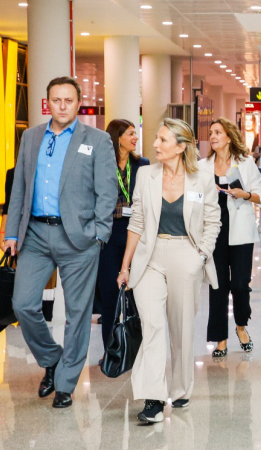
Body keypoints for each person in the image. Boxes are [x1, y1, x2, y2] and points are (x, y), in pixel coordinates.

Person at [3, 76, 117, 408]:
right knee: (23, 304)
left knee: (78, 313)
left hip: (79, 237)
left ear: (78, 103)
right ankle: (52, 359)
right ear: (47, 103)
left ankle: (66, 384)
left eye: (69, 100)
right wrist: (12, 232)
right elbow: (19, 187)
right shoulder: (31, 136)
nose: (62, 106)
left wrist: (99, 233)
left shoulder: (97, 140)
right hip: (36, 235)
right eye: (56, 100)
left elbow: (107, 191)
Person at [116, 118, 220, 423]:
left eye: (163, 140)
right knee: (152, 326)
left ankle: (181, 387)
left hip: (186, 254)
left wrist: (200, 256)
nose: (155, 144)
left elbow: (212, 222)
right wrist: (125, 266)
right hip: (150, 256)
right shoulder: (146, 174)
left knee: (181, 328)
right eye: (157, 139)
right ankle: (154, 398)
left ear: (181, 146)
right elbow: (136, 221)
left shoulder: (202, 178)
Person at [203, 118, 261, 356]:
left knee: (240, 285)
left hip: (241, 231)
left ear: (229, 137)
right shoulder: (202, 166)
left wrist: (244, 194)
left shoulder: (245, 163)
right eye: (211, 133)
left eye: (218, 132)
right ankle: (220, 339)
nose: (213, 136)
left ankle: (241, 325)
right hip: (214, 232)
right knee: (217, 286)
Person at [95, 119, 149, 359]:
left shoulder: (142, 165)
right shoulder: (101, 164)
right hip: (109, 234)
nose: (135, 138)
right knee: (109, 295)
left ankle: (137, 350)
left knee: (138, 295)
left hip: (136, 233)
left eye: (135, 133)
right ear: (117, 138)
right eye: (130, 134)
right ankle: (110, 351)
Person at [0, 168, 56, 323]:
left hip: (48, 228)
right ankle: (19, 311)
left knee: (48, 274)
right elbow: (9, 205)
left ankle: (45, 312)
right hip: (22, 230)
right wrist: (3, 232)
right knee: (20, 269)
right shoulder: (14, 173)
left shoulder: (50, 170)